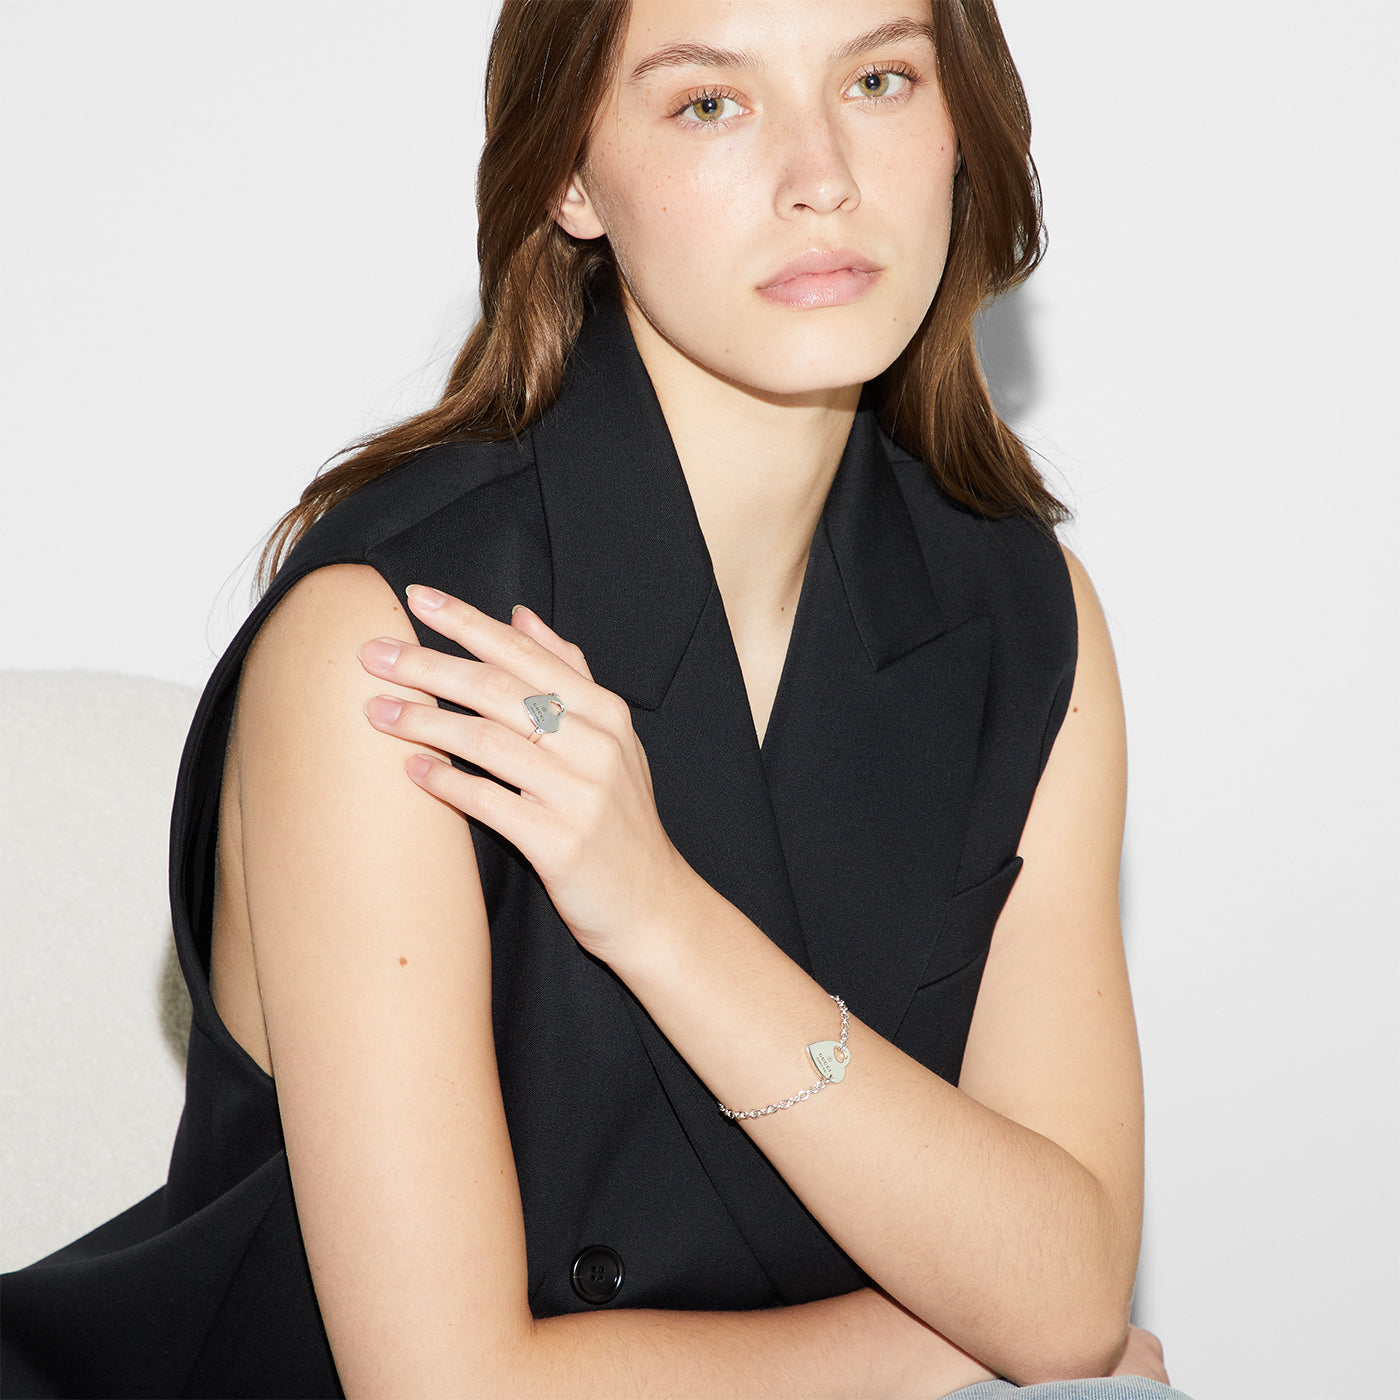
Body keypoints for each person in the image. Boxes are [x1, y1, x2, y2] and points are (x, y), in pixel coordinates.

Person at [2, 2, 1191, 1396]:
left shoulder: (1025, 619)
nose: (822, 175)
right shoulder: (393, 641)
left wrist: (660, 912)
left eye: (879, 79)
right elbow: (447, 1388)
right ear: (572, 175)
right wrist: (942, 1343)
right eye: (709, 103)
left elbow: (1068, 1288)